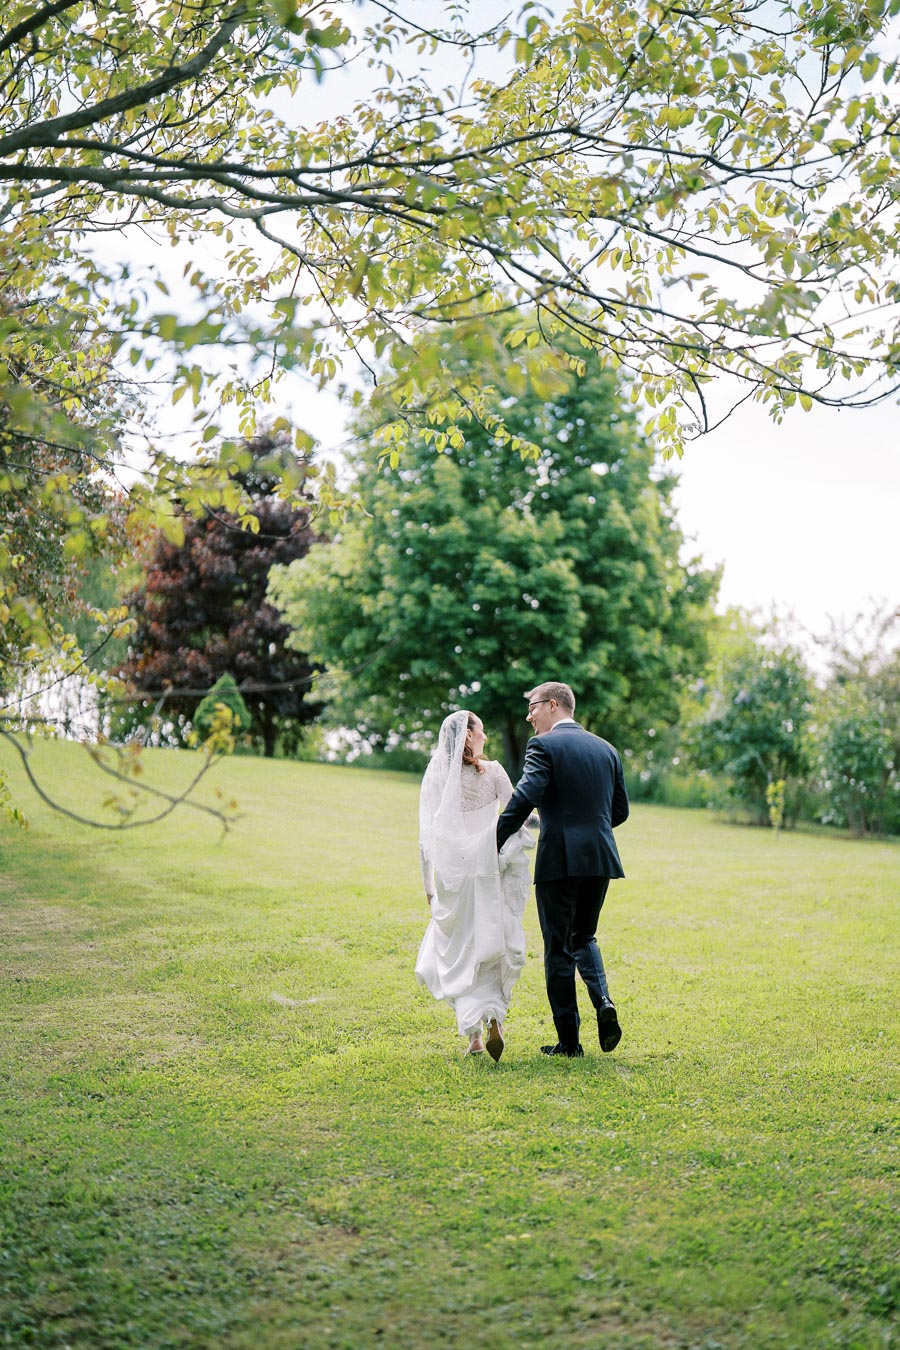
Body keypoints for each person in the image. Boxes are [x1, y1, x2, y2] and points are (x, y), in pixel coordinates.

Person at [496, 681, 629, 1058]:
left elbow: (525, 795)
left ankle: (570, 1043)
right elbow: (620, 811)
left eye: (533, 708)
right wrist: (590, 829)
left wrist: (496, 838)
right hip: (601, 857)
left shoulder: (544, 745)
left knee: (558, 950)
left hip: (559, 860)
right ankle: (603, 1001)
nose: (529, 716)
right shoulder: (607, 750)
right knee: (584, 936)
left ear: (552, 705)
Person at [416, 710, 534, 1061]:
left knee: (461, 947)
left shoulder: (437, 777)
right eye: (480, 731)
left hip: (455, 878)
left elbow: (427, 838)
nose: (485, 737)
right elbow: (518, 814)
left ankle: (474, 1036)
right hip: (490, 873)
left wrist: (427, 884)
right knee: (493, 939)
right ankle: (495, 1018)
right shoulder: (495, 772)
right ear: (468, 736)